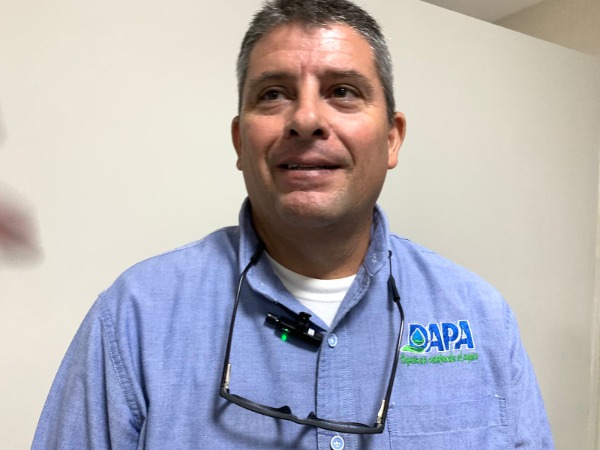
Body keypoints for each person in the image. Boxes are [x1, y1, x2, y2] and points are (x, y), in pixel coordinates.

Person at [32, 0, 554, 448]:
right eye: (274, 94)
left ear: (392, 138)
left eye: (343, 91)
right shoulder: (134, 318)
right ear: (240, 141)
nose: (306, 120)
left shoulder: (481, 316)